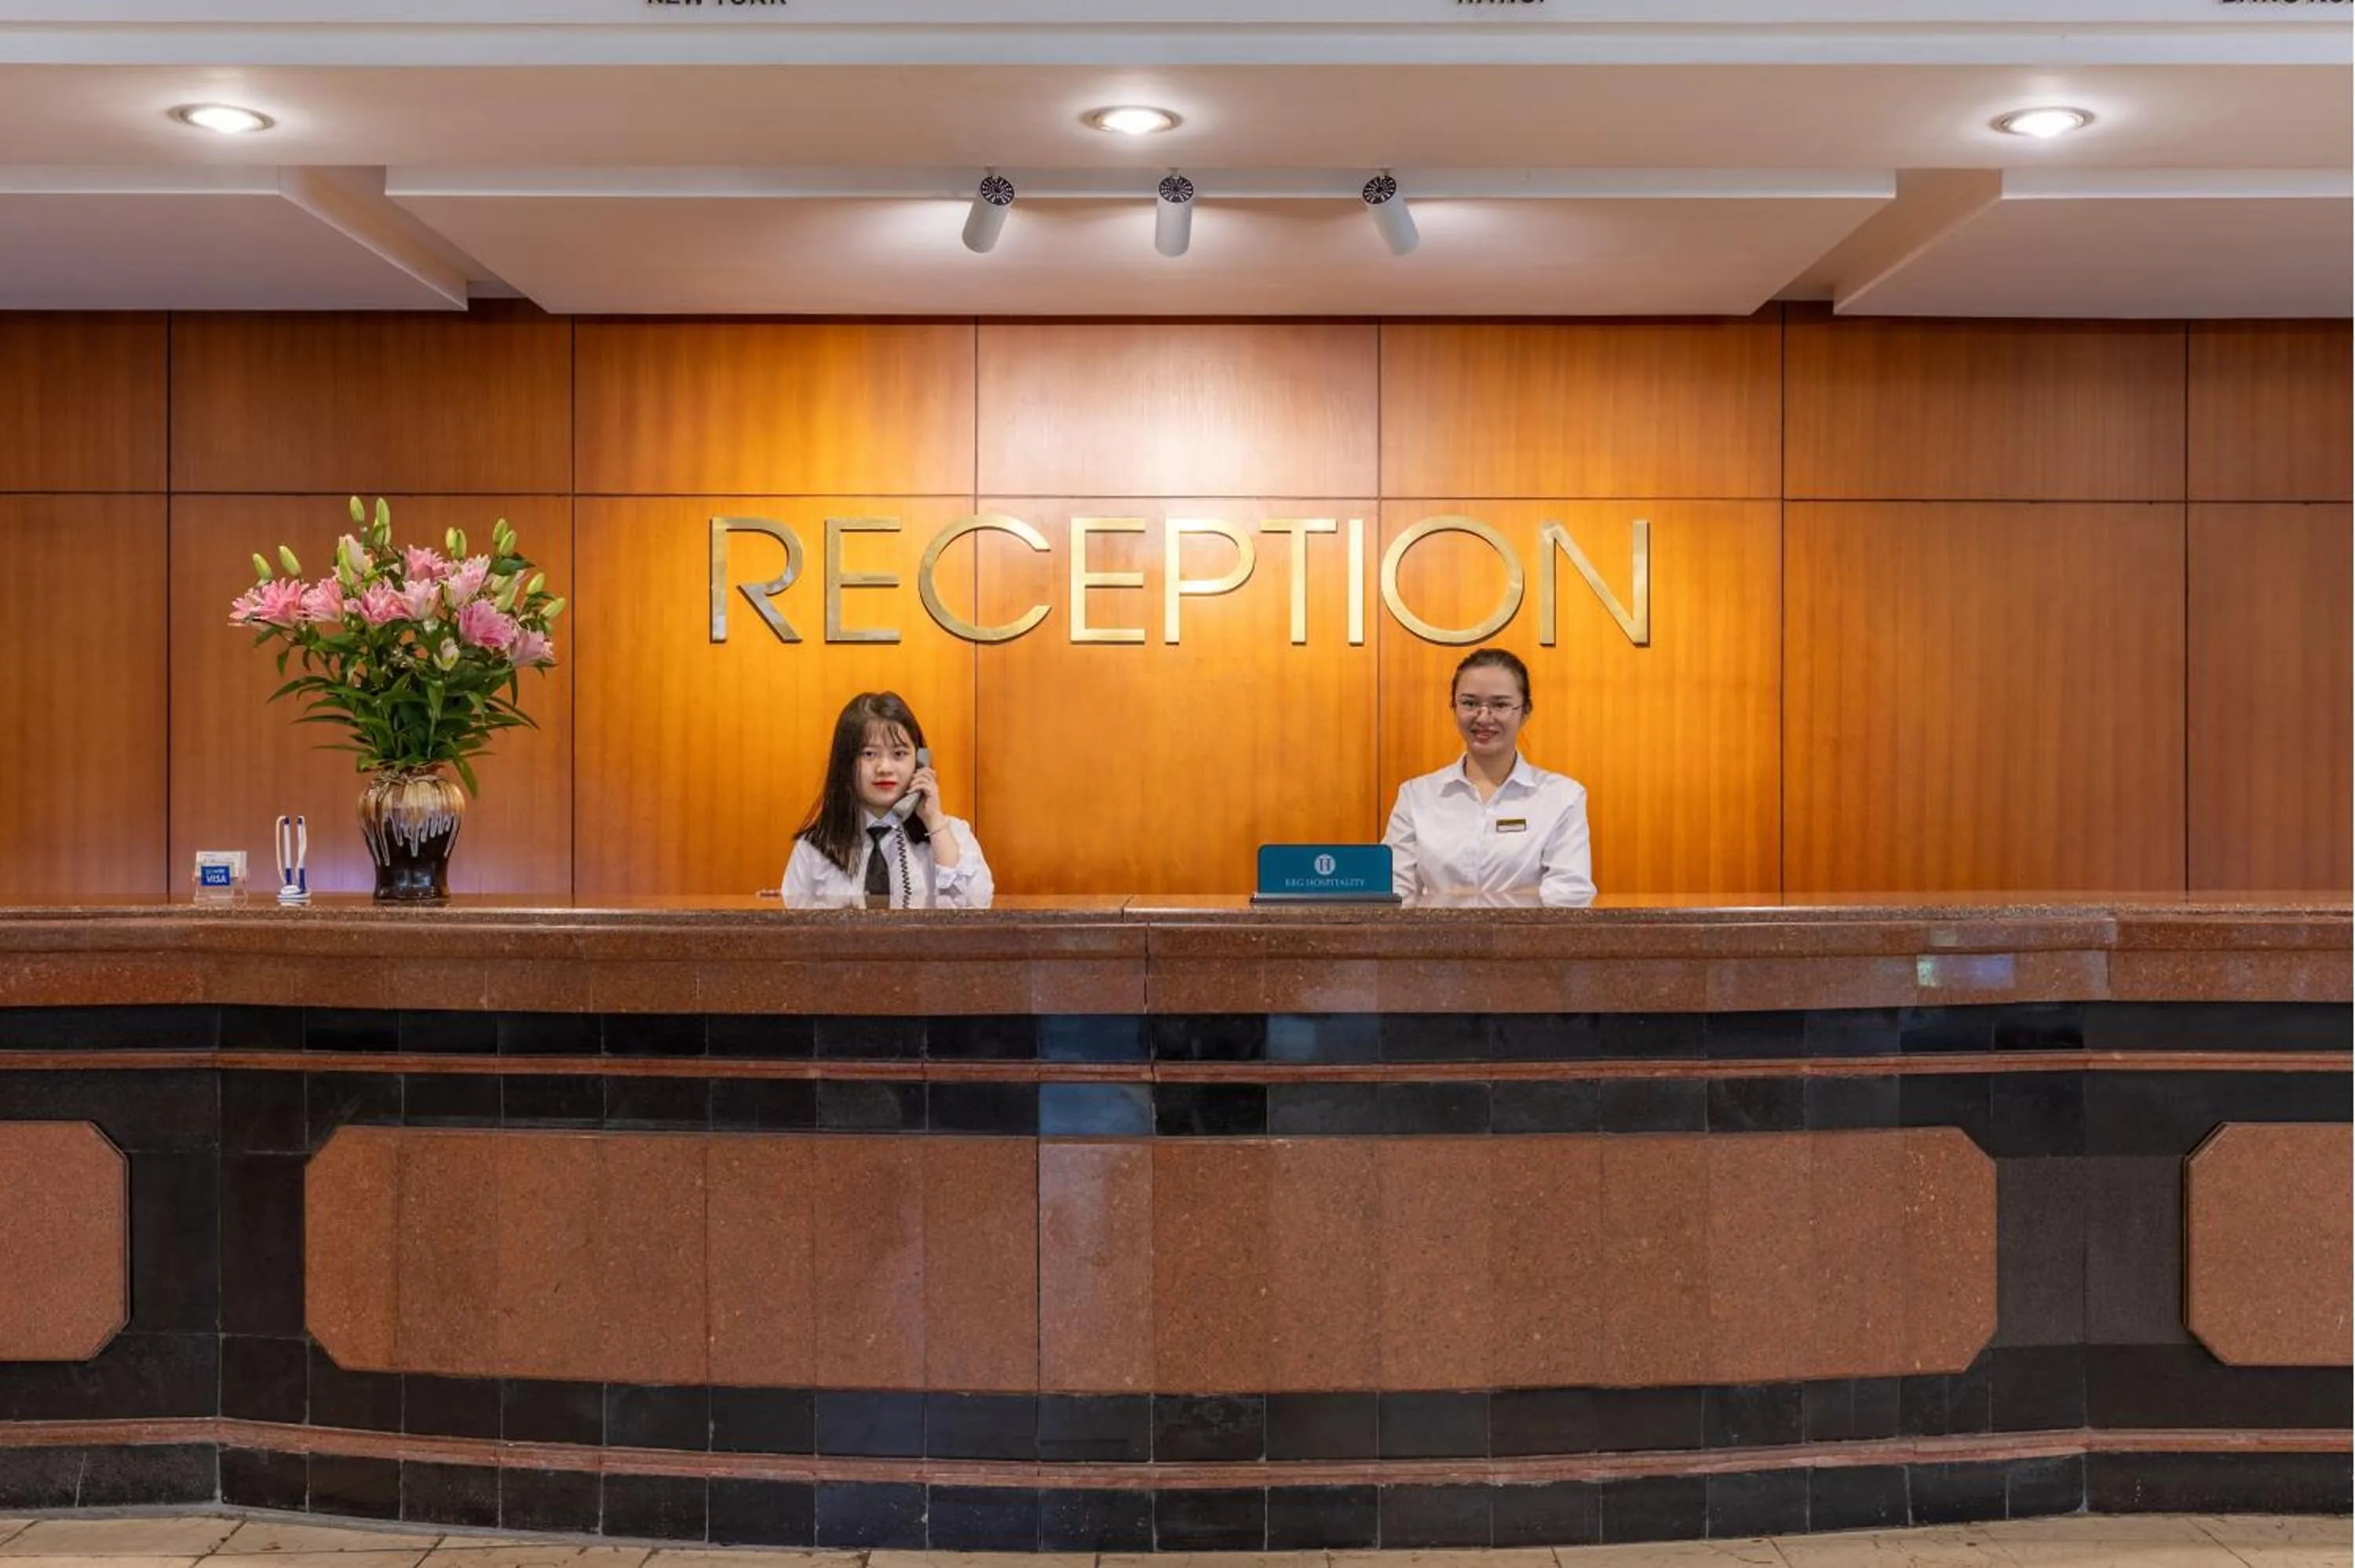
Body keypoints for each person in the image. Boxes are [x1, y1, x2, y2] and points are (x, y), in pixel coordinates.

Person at [1382, 647, 1594, 907]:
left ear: (1525, 711)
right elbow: (1394, 893)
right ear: (1454, 707)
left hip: (1528, 946)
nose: (1483, 717)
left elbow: (1569, 896)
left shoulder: (1563, 797)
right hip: (1436, 946)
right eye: (1470, 703)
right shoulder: (1416, 796)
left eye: (1500, 705)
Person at [781, 691, 993, 908]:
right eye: (869, 754)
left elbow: (977, 909)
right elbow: (797, 932)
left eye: (899, 754)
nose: (885, 768)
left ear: (920, 761)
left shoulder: (953, 835)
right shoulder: (815, 846)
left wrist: (935, 821)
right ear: (845, 762)